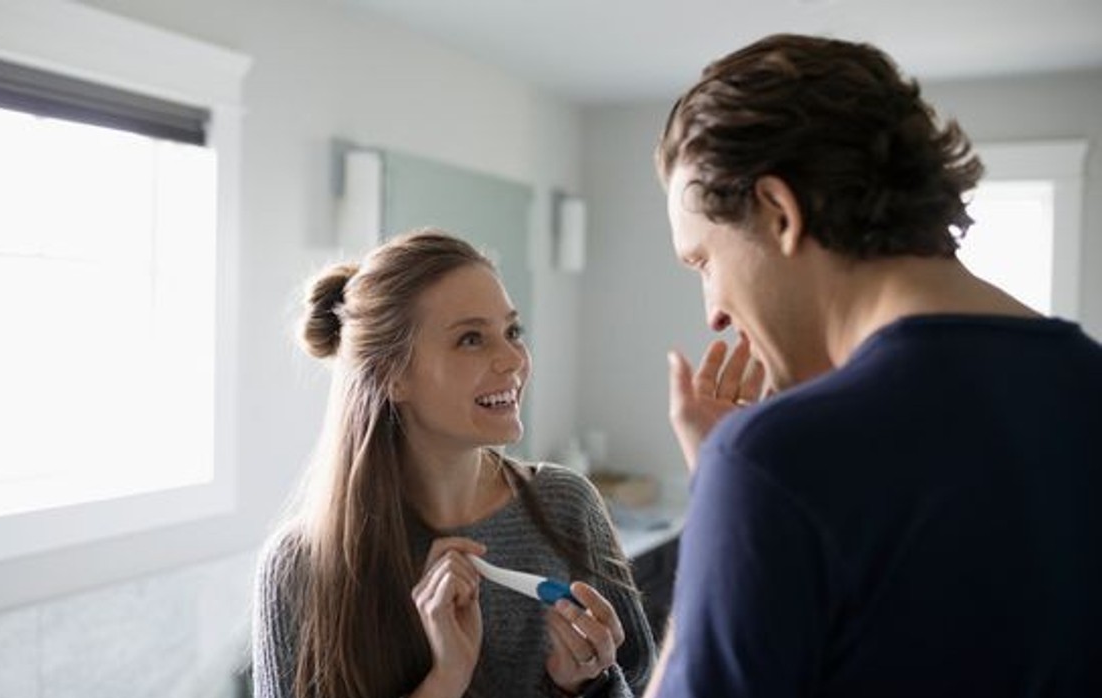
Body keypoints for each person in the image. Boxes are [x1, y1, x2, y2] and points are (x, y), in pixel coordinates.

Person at [646, 33, 1102, 697]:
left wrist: (722, 496)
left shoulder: (772, 462)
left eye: (703, 262)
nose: (713, 310)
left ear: (779, 212)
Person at [252, 228, 654, 698]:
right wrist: (444, 681)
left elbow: (639, 681)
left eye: (512, 331)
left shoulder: (567, 507)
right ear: (393, 376)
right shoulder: (301, 567)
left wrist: (583, 687)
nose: (513, 359)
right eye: (470, 339)